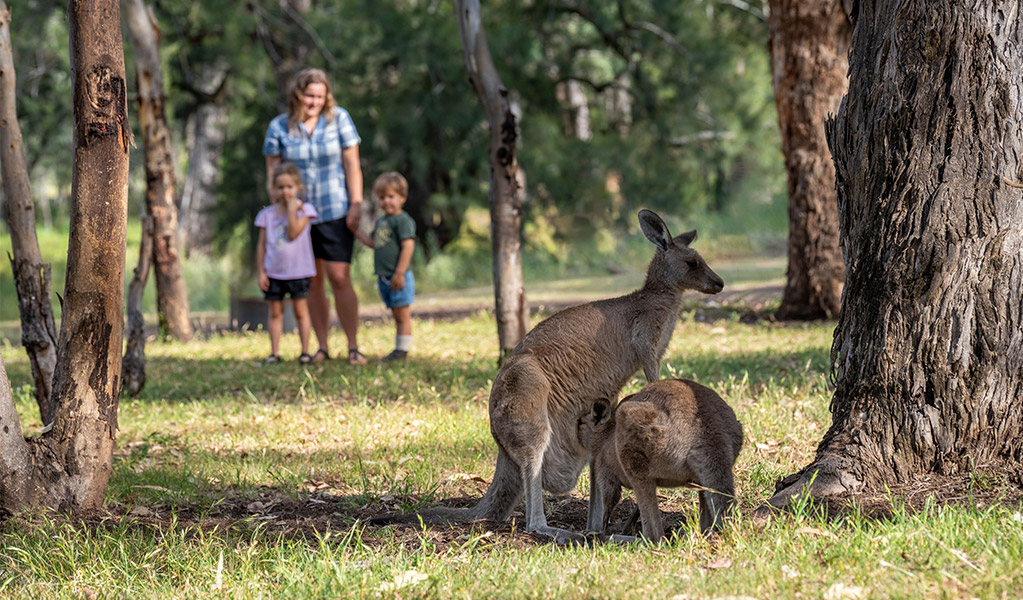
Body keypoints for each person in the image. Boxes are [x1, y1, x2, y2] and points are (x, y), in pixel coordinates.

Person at [262, 67, 368, 366]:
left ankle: (353, 346)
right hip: (298, 218)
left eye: (320, 96)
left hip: (336, 209)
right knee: (314, 281)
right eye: (310, 95)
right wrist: (280, 212)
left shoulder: (339, 119)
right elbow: (272, 173)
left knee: (340, 277)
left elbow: (352, 165)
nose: (315, 101)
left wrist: (356, 203)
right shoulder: (279, 127)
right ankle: (321, 347)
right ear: (298, 94)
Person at [255, 162, 318, 364]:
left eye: (289, 187)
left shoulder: (305, 211)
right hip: (274, 272)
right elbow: (262, 245)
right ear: (274, 189)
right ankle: (274, 352)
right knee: (275, 313)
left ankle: (305, 352)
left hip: (299, 272)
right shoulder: (266, 214)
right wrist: (261, 272)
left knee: (301, 311)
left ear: (297, 187)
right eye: (280, 187)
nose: (285, 192)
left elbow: (292, 234)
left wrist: (292, 210)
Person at [354, 172, 416, 362]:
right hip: (384, 277)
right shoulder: (382, 221)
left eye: (391, 197)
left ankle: (402, 351)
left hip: (399, 276)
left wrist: (399, 272)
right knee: (396, 314)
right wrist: (355, 230)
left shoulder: (402, 220)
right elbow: (373, 242)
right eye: (382, 198)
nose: (386, 201)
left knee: (403, 314)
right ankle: (399, 348)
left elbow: (408, 246)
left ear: (402, 198)